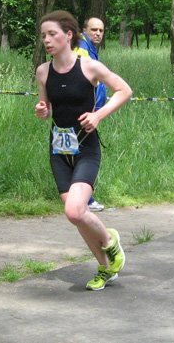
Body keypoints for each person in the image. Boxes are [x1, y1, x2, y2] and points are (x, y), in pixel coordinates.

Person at [34, 10, 132, 291]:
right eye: (43, 35)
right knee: (76, 216)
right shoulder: (43, 71)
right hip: (59, 149)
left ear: (68, 35)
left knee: (75, 211)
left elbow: (124, 90)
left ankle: (111, 242)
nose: (46, 40)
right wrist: (43, 110)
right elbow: (47, 107)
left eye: (52, 34)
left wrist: (98, 115)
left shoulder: (89, 67)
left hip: (86, 147)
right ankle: (105, 267)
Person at [74, 17, 107, 212]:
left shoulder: (89, 48)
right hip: (84, 112)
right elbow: (79, 78)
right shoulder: (82, 48)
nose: (98, 33)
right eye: (94, 29)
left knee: (78, 153)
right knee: (88, 156)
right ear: (84, 30)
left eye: (101, 30)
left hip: (90, 112)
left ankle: (79, 196)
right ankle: (86, 199)